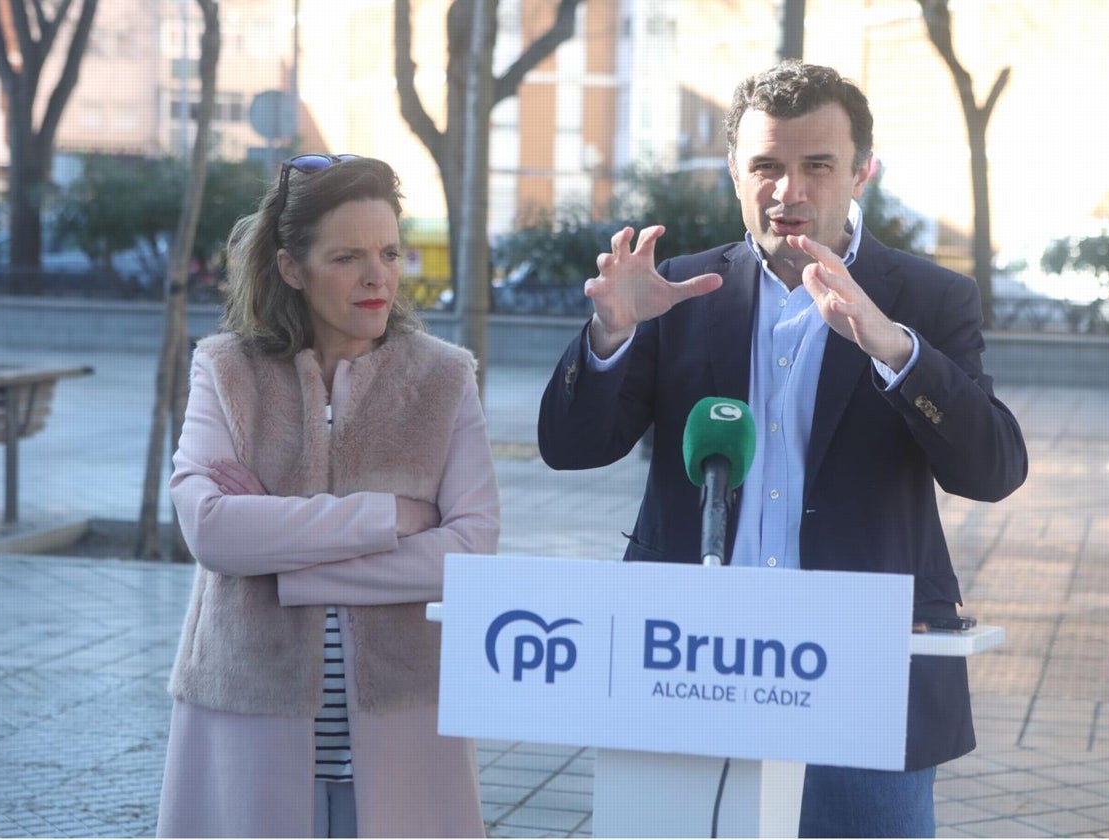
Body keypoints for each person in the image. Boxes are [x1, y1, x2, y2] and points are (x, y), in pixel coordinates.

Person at [537, 61, 1028, 837]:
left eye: (817, 166)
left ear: (862, 171)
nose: (787, 190)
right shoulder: (677, 291)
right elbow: (570, 449)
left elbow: (993, 469)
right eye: (766, 165)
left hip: (860, 673)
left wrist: (893, 349)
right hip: (690, 665)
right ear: (736, 170)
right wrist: (612, 333)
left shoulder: (928, 300)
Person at [156, 154, 500, 838]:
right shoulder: (226, 371)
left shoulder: (443, 379)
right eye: (347, 257)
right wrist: (390, 518)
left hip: (404, 718)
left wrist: (282, 557)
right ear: (291, 267)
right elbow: (214, 533)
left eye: (390, 252)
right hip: (249, 710)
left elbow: (470, 550)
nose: (378, 276)